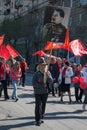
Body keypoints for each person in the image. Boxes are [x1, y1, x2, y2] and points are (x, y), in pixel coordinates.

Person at [32, 58, 53, 126]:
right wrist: (41, 85)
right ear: (39, 66)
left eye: (44, 65)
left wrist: (48, 77)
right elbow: (33, 83)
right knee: (38, 105)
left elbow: (51, 81)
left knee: (43, 105)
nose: (43, 66)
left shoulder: (48, 72)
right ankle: (37, 119)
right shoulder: (36, 74)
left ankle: (41, 117)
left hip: (45, 92)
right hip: (37, 92)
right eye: (42, 65)